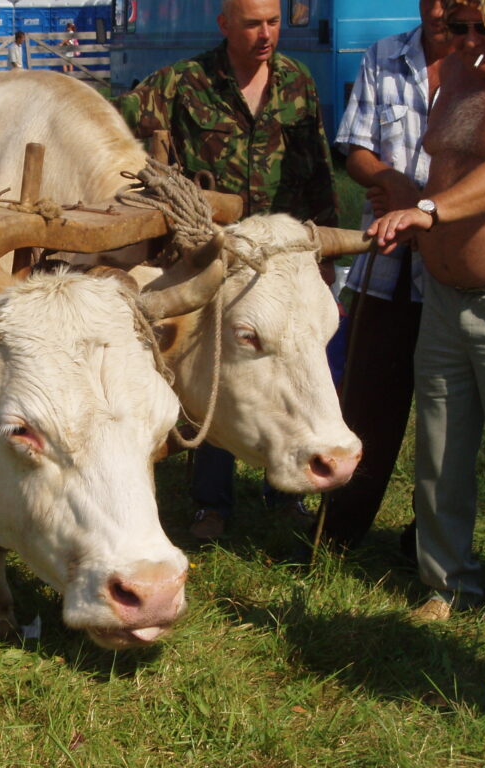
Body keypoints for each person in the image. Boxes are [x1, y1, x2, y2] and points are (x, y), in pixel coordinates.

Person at [118, 0, 338, 540]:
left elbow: (317, 165)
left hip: (281, 261)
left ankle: (283, 489)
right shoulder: (182, 82)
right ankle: (211, 503)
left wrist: (327, 253)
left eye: (273, 23)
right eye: (252, 24)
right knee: (218, 369)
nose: (266, 35)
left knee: (285, 364)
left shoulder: (297, 81)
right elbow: (117, 122)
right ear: (224, 26)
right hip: (217, 257)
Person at [368, 0, 485, 620]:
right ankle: (447, 587)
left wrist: (432, 212)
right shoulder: (460, 74)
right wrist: (411, 208)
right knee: (440, 451)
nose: (471, 39)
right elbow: (444, 165)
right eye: (463, 26)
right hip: (444, 297)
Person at [326, 0, 452, 549]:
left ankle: (428, 539)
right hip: (386, 263)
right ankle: (338, 531)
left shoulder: (482, 66)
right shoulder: (383, 56)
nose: (443, 10)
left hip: (453, 268)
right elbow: (353, 146)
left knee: (447, 415)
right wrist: (392, 182)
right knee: (366, 402)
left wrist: (429, 206)